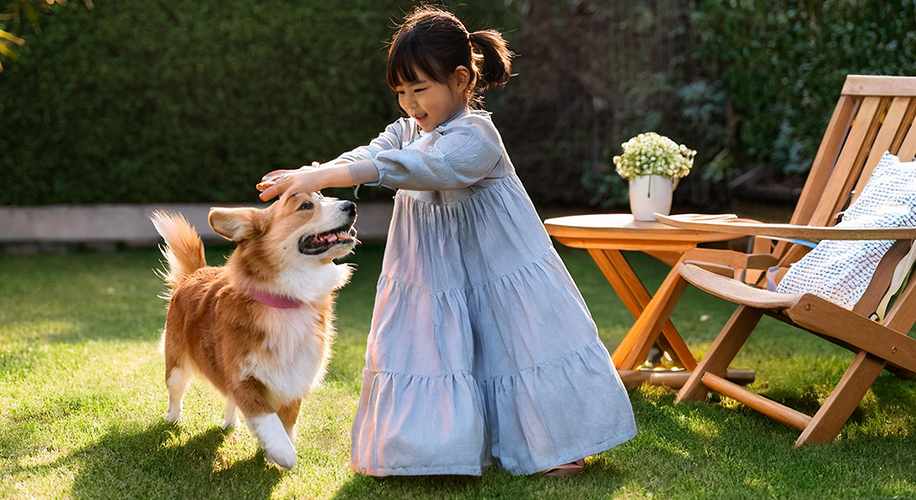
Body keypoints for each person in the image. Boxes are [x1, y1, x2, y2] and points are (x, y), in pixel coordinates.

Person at [257, 5, 636, 477]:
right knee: (433, 345)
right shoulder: (409, 129)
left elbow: (413, 168)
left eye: (420, 89)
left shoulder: (477, 135)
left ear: (460, 80)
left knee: (513, 345)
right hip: (431, 271)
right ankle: (431, 450)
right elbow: (374, 153)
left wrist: (324, 174)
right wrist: (317, 173)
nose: (410, 103)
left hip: (497, 267)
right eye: (400, 91)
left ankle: (551, 445)